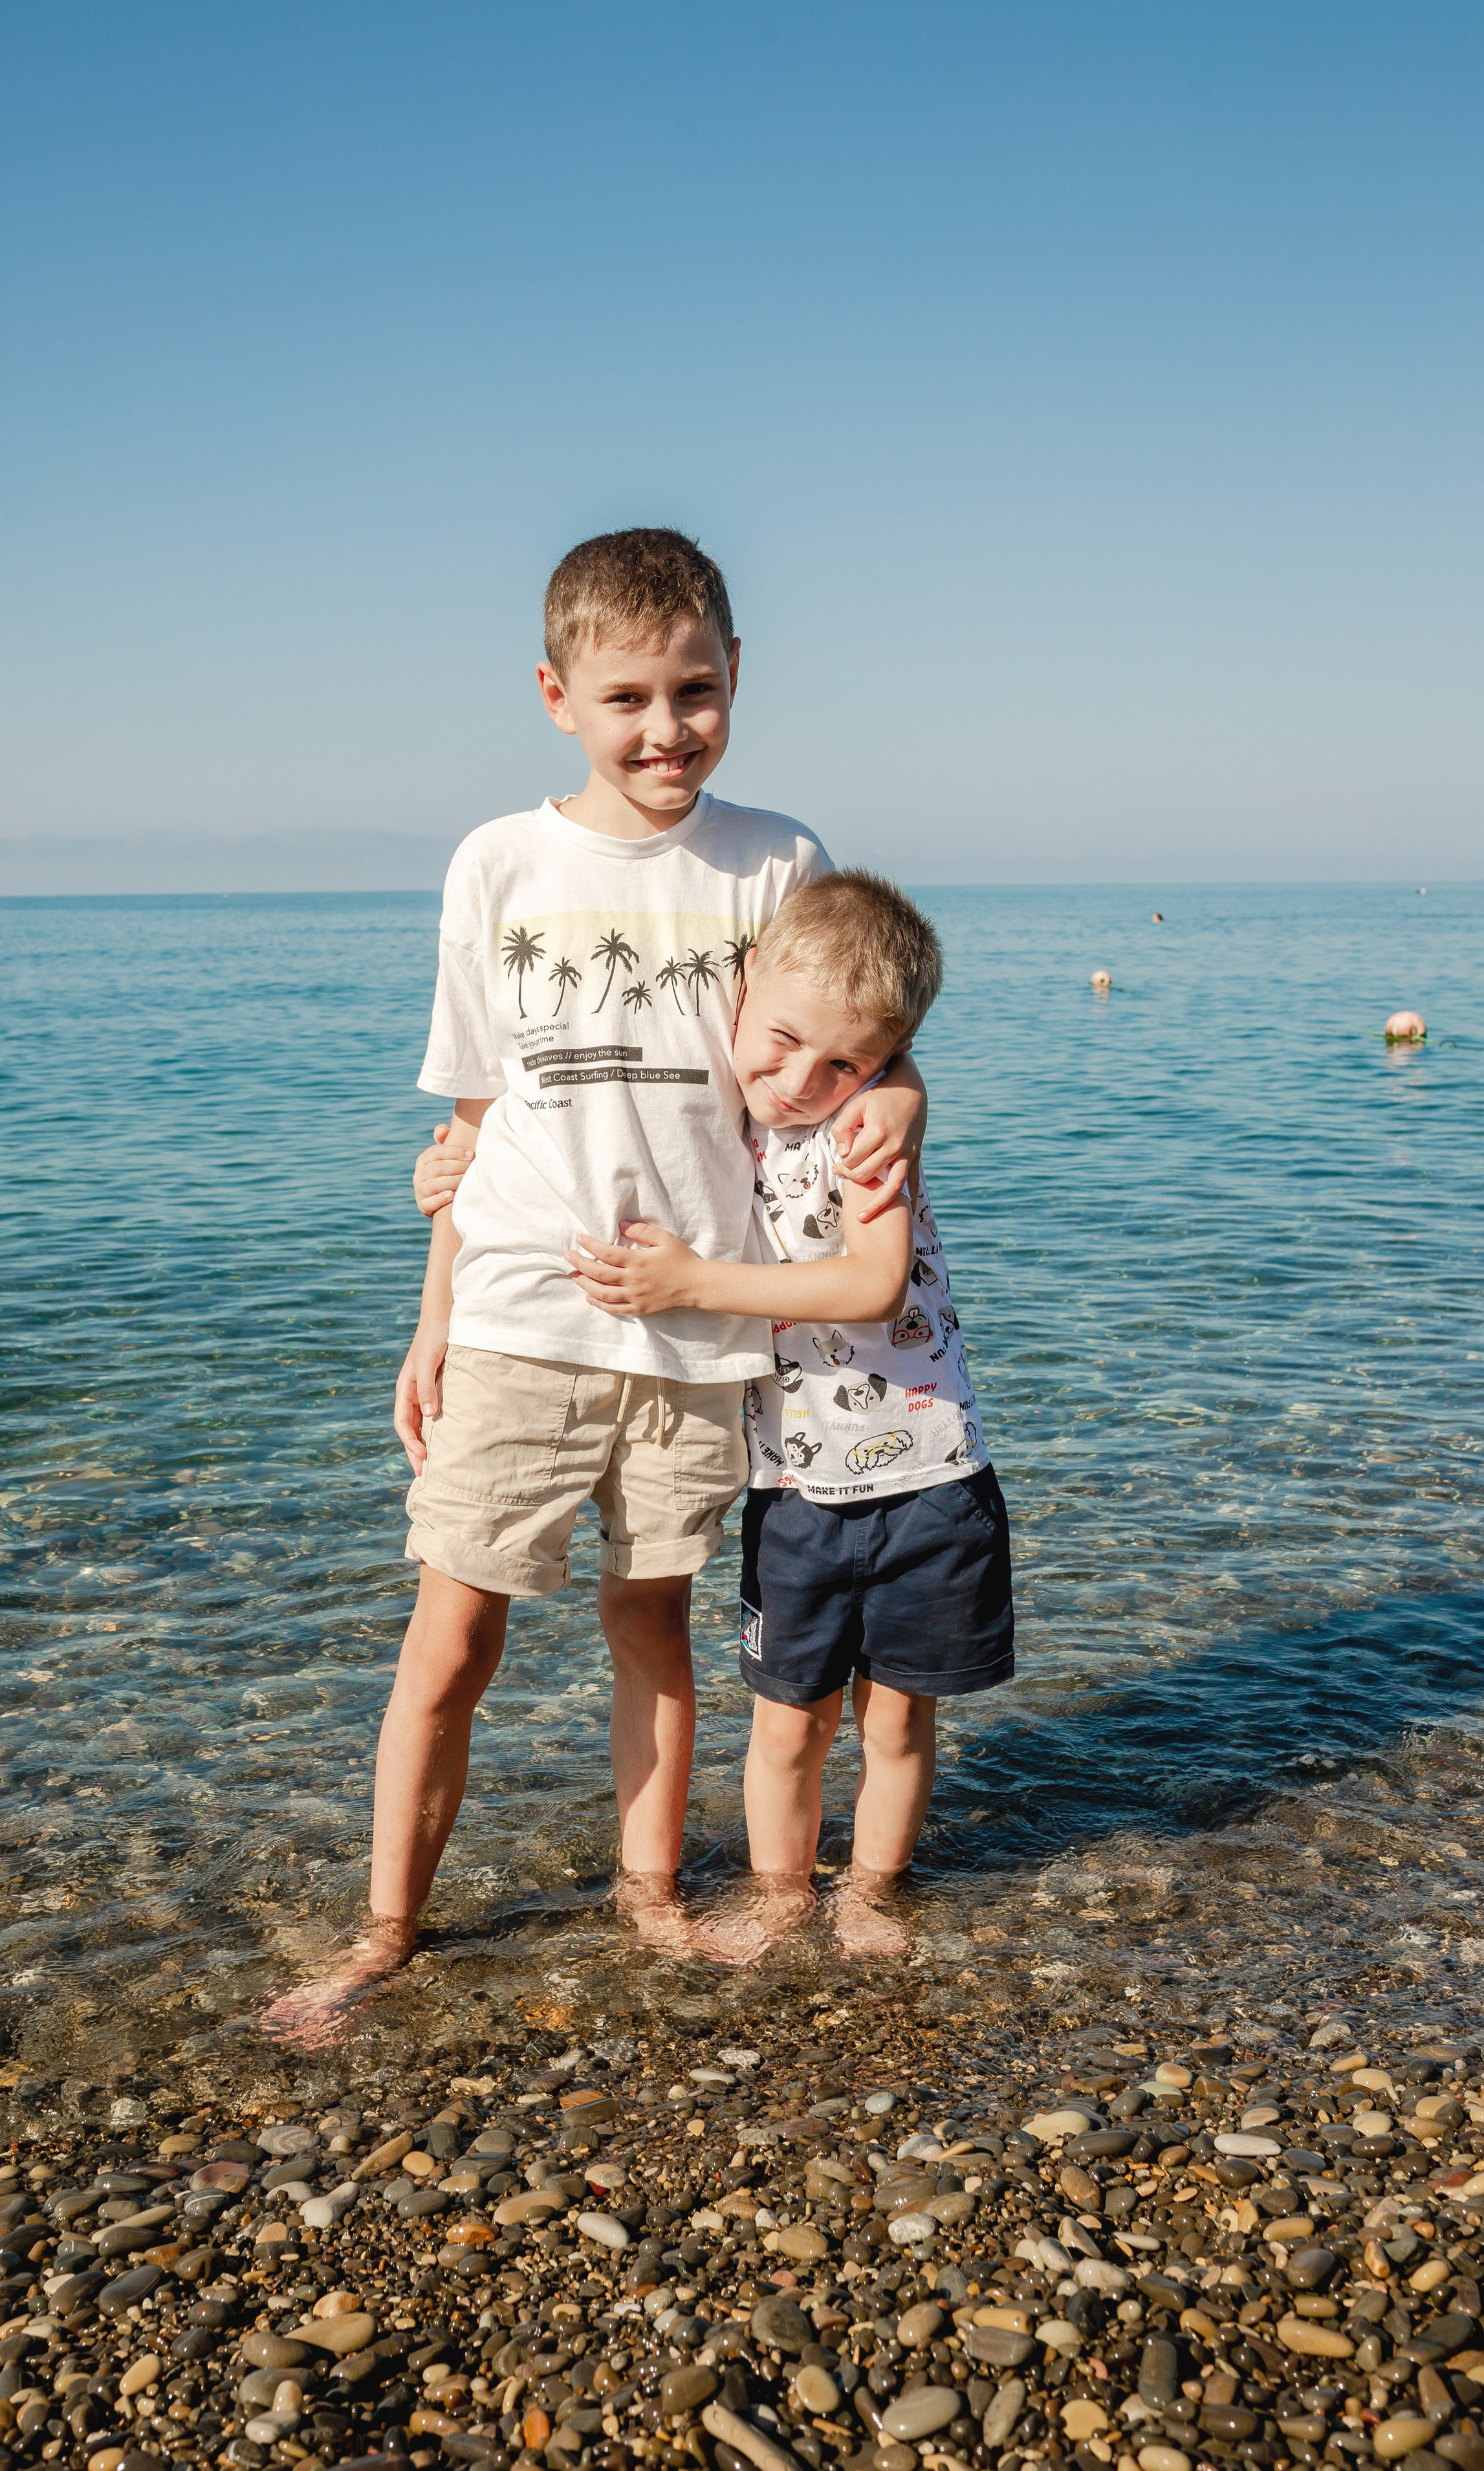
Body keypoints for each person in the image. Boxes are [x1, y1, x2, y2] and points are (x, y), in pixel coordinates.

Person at [261, 530, 924, 2045]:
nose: (665, 727)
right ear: (557, 694)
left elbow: (848, 1037)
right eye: (628, 695)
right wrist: (429, 1320)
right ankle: (386, 1929)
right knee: (452, 1638)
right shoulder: (498, 862)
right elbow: (478, 1118)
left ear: (736, 679)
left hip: (700, 1328)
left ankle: (645, 1896)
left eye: (695, 689)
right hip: (514, 1317)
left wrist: (908, 1096)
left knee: (653, 1622)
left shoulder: (778, 860)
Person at [564, 870, 1015, 1960]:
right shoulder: (712, 1112)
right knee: (788, 1724)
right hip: (797, 1492)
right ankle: (779, 1901)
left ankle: (868, 1892)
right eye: (781, 1042)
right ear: (742, 980)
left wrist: (694, 1284)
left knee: (900, 1721)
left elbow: (871, 1286)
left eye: (846, 1064)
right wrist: (459, 1156)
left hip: (930, 1478)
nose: (801, 1081)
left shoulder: (866, 1133)